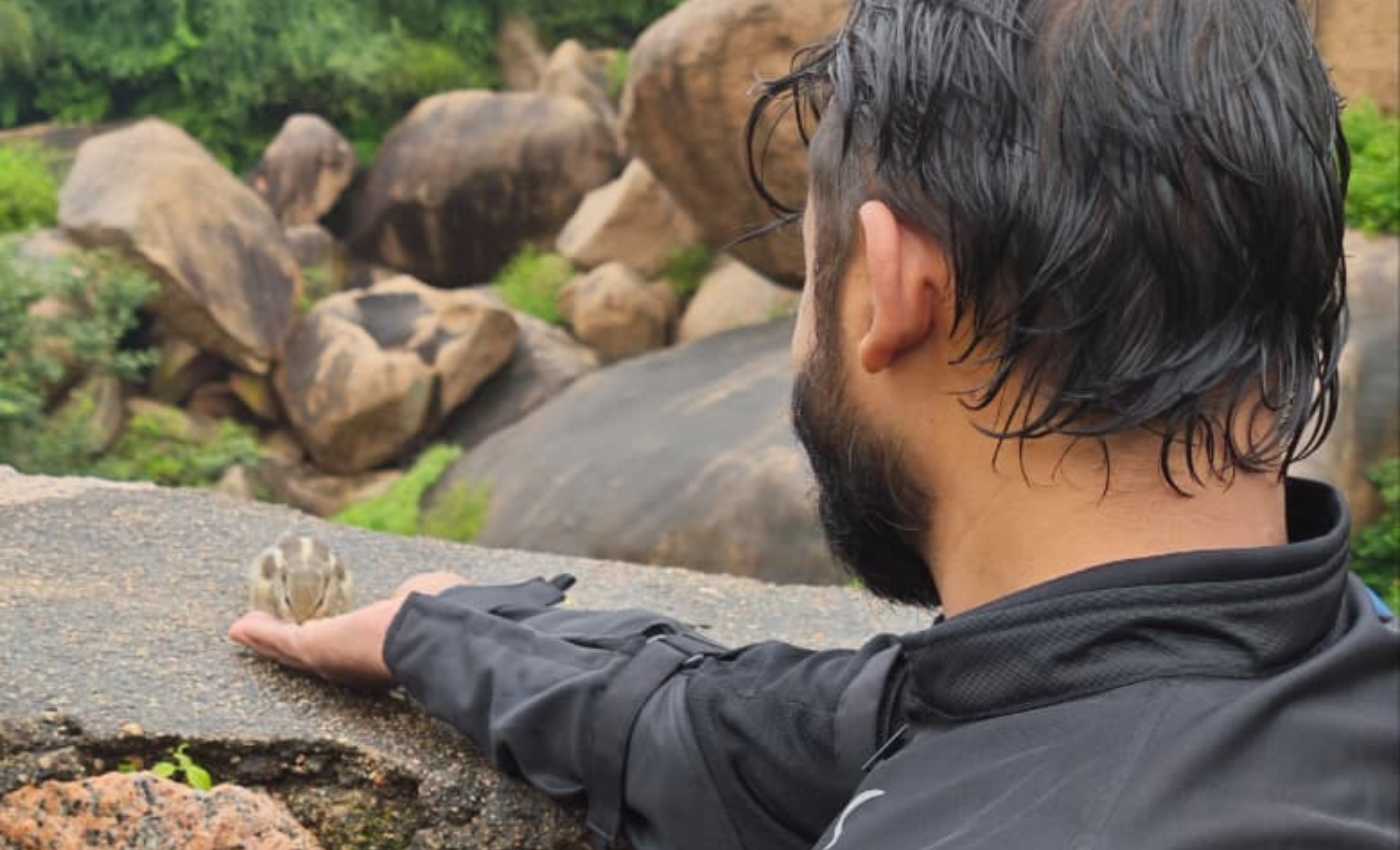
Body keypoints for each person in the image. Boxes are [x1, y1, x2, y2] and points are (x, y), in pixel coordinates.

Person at [231, 1, 1400, 848]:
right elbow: (722, 726)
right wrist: (436, 631)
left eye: (808, 271)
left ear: (892, 289)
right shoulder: (1281, 662)